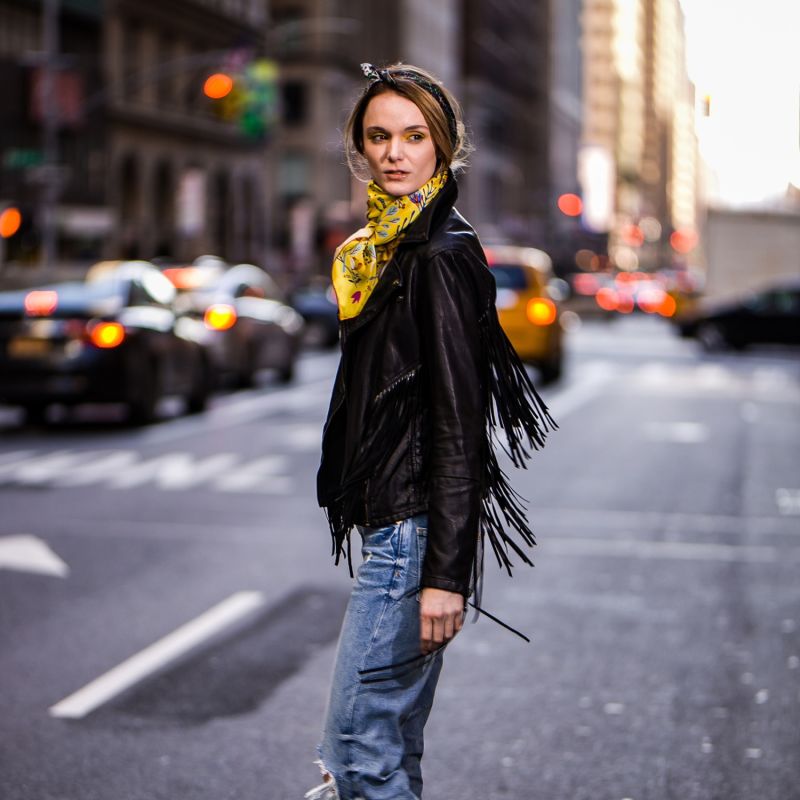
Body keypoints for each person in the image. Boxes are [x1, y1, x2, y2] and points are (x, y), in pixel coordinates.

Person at [307, 62, 555, 800]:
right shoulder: (386, 251)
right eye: (378, 136)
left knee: (358, 752)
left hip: (411, 536)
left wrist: (446, 575)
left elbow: (457, 419)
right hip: (398, 527)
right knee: (386, 748)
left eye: (414, 136)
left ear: (443, 148)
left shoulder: (437, 255)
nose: (394, 152)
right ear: (359, 148)